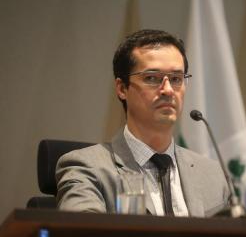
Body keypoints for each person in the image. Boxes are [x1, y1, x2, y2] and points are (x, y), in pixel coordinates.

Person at [56, 29, 230, 217]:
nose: (168, 90)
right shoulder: (86, 168)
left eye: (176, 79)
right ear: (122, 88)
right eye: (152, 78)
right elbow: (82, 232)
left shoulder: (212, 175)